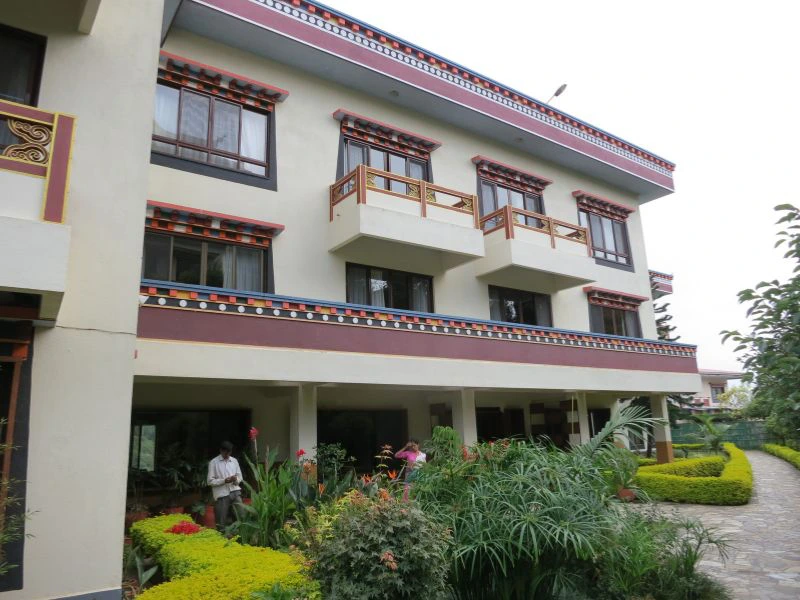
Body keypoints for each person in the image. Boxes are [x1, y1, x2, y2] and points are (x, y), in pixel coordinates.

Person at [207, 441, 244, 531]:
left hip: (235, 491)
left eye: (229, 452)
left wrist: (235, 479)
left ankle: (239, 535)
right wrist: (224, 481)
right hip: (222, 494)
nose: (227, 454)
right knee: (221, 521)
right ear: (221, 450)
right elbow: (210, 481)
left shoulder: (234, 461)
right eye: (225, 452)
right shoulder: (213, 462)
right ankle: (221, 536)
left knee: (241, 516)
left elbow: (240, 476)